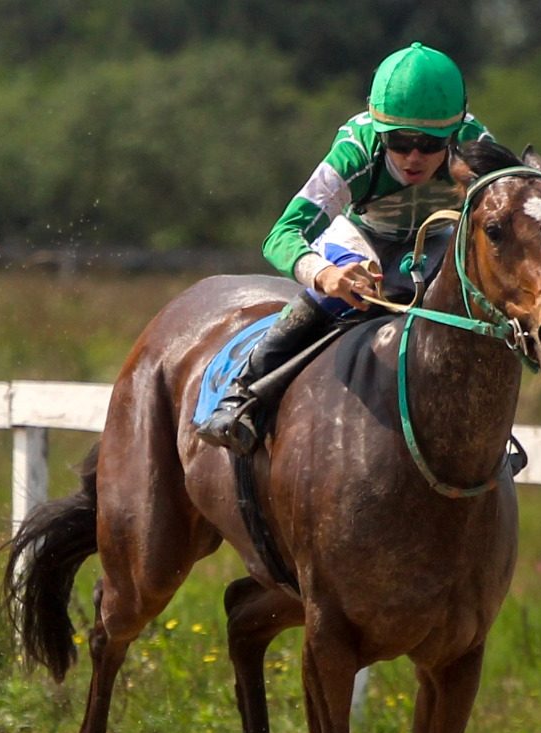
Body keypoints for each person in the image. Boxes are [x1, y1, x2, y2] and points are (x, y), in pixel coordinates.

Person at [195, 42, 492, 454]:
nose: (413, 156)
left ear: (456, 130)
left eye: (429, 143)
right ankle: (241, 395)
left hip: (436, 240)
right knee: (335, 291)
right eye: (398, 140)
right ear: (377, 129)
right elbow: (281, 234)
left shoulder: (475, 145)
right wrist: (326, 275)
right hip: (361, 239)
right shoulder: (355, 152)